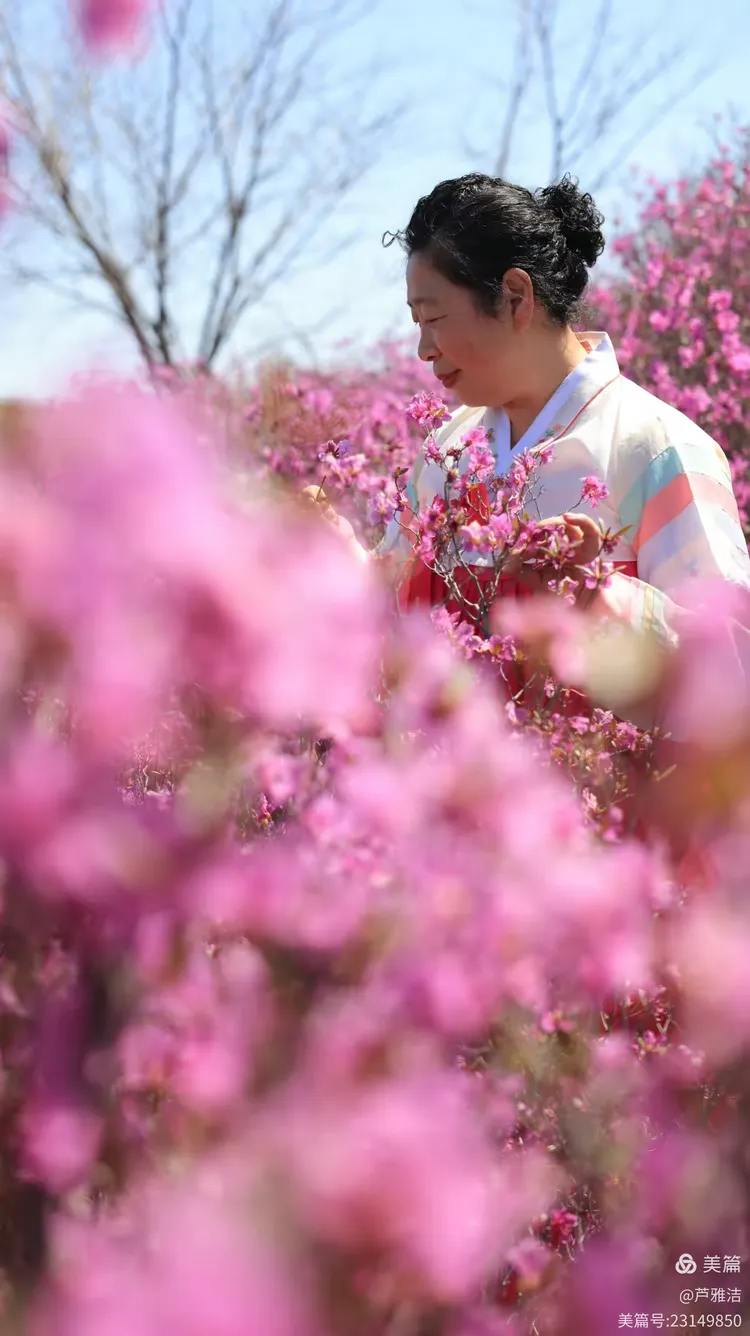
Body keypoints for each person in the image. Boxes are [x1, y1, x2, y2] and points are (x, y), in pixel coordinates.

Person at [306, 172, 750, 741]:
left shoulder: (656, 447)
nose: (423, 349)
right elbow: (390, 618)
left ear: (515, 297)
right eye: (417, 324)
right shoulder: (447, 452)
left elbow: (730, 669)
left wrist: (595, 594)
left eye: (435, 318)